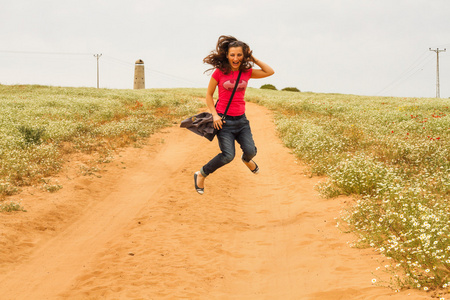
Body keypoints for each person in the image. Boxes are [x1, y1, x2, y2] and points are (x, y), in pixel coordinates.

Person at [194, 35, 275, 195]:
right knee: (228, 156)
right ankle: (201, 174)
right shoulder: (219, 73)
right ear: (227, 55)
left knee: (251, 151)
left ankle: (246, 160)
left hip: (242, 121)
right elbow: (209, 96)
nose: (236, 58)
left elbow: (269, 72)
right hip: (223, 122)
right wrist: (215, 115)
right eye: (232, 55)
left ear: (244, 56)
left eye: (239, 55)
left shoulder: (247, 72)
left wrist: (253, 58)